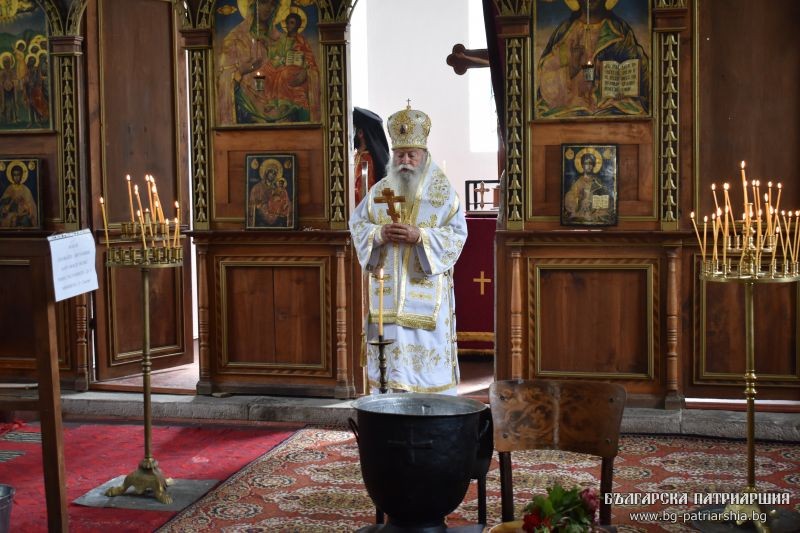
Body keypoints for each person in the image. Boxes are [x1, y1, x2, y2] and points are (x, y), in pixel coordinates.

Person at [349, 103, 468, 395]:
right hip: (386, 298)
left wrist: (420, 237)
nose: (404, 160)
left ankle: (432, 410)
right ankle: (391, 408)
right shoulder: (380, 190)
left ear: (424, 156)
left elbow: (457, 234)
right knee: (391, 368)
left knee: (426, 364)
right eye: (399, 154)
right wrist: (378, 233)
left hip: (425, 297)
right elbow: (358, 224)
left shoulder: (442, 192)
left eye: (411, 155)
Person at [535, 0, 650, 118]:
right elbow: (545, 80)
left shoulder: (619, 31)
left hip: (612, 109)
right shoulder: (566, 33)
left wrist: (609, 76)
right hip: (570, 110)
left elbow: (642, 74)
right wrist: (570, 70)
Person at [563, 149, 612, 224]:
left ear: (594, 165)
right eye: (586, 163)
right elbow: (570, 197)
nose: (588, 166)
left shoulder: (598, 182)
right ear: (582, 165)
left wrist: (593, 201)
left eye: (591, 163)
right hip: (580, 211)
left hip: (595, 210)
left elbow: (606, 197)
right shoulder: (577, 182)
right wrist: (579, 200)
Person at [352, 107, 390, 205]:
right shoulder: (357, 156)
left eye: (352, 130)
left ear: (360, 133)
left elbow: (363, 197)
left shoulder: (367, 161)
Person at [0, 161, 38, 228]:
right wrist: (11, 200)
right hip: (11, 214)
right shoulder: (9, 189)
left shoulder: (25, 189)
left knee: (25, 221)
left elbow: (31, 206)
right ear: (12, 176)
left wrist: (23, 203)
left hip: (23, 214)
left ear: (21, 176)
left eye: (18, 175)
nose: (16, 177)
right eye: (14, 175)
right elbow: (3, 202)